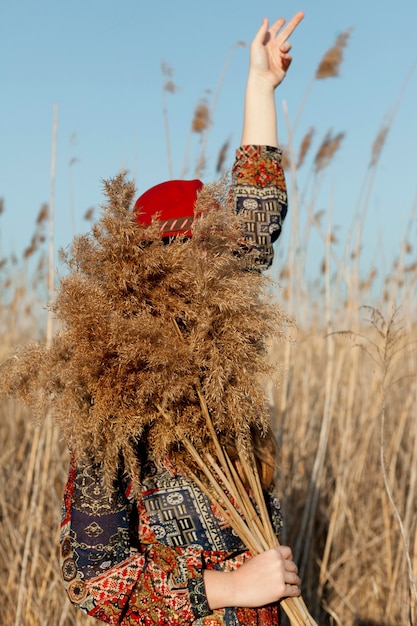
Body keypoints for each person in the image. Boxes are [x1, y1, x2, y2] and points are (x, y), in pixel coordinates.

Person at [60, 12, 304, 625]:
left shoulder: (220, 347)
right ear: (140, 276)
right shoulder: (109, 402)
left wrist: (258, 87)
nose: (194, 286)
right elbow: (97, 584)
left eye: (208, 263)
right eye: (175, 267)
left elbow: (255, 214)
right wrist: (231, 587)